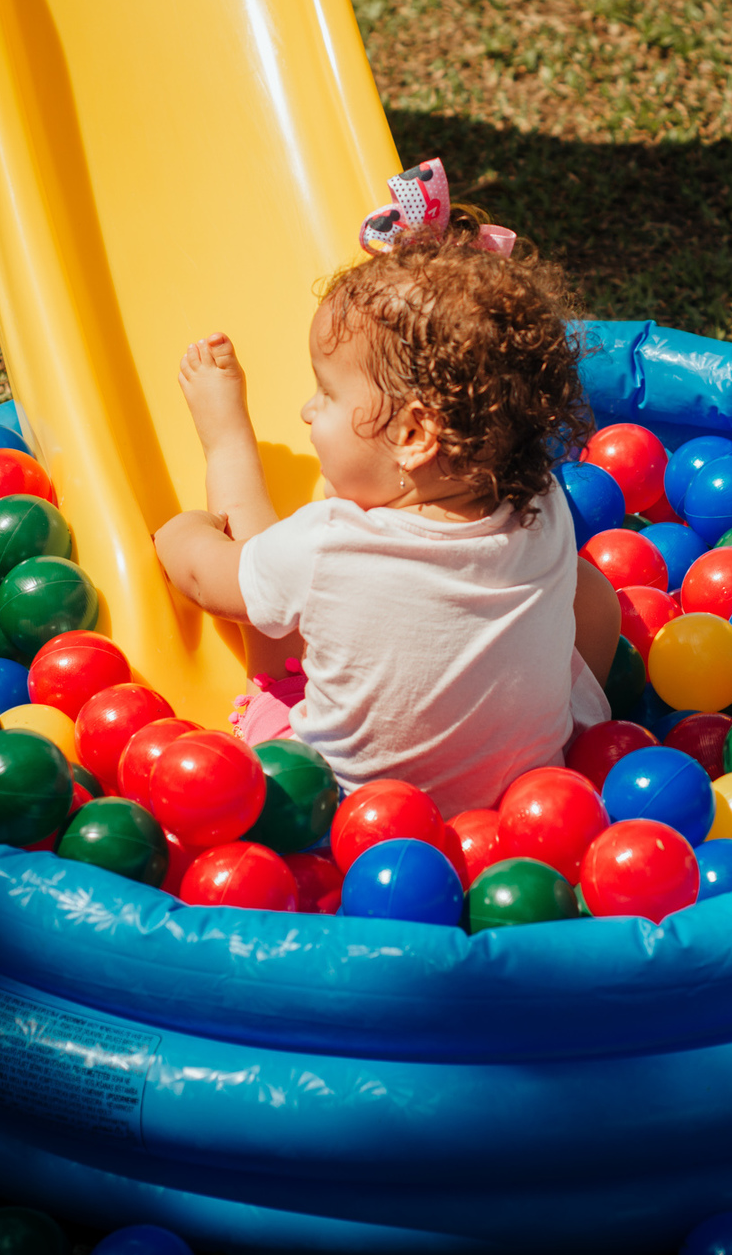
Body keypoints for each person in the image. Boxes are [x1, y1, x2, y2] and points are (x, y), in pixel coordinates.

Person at [154, 192, 619, 817]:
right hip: (527, 799)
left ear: (413, 434)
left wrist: (181, 532)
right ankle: (578, 729)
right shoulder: (544, 504)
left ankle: (226, 438)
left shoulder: (330, 545)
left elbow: (209, 581)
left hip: (349, 814)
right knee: (589, 589)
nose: (307, 411)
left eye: (326, 393)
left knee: (270, 614)